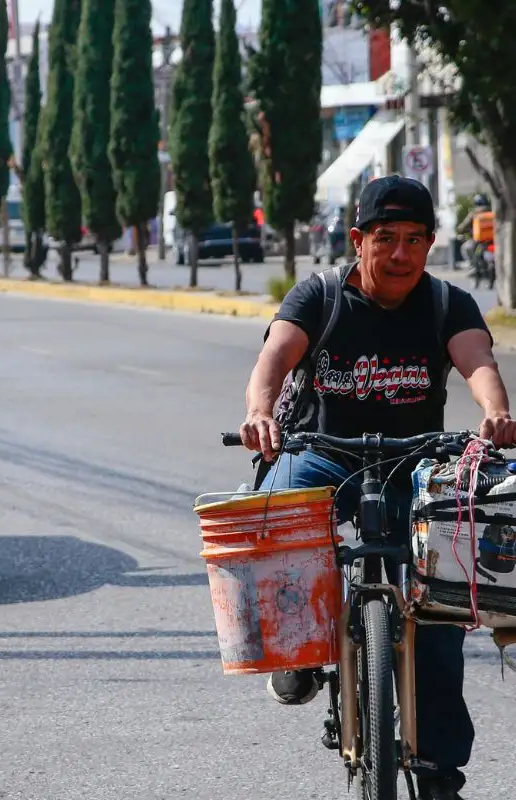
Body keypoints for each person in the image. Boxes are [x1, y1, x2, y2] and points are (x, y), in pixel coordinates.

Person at [236, 175, 516, 800]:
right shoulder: (321, 296)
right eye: (385, 238)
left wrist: (496, 413)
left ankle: (441, 769)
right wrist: (259, 411)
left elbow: (479, 364)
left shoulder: (448, 303)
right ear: (358, 240)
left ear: (430, 244)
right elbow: (273, 361)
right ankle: (300, 650)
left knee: (443, 601)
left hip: (416, 463)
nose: (400, 255)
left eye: (414, 239)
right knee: (276, 513)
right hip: (323, 454)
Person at [457, 193, 491, 269]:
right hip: (492, 240)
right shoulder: (491, 212)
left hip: (478, 240)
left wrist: (461, 230)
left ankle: (473, 265)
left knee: (465, 248)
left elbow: (462, 226)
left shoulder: (474, 213)